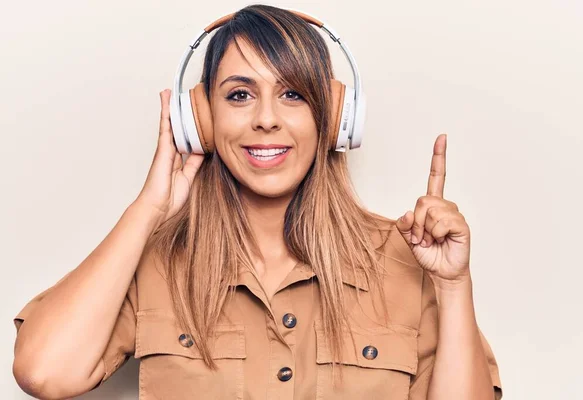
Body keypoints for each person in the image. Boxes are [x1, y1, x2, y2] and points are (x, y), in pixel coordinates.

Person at [12, 4, 502, 399]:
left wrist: (454, 286)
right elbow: (44, 372)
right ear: (199, 122)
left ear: (333, 120)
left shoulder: (405, 259)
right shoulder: (156, 264)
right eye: (240, 95)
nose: (266, 119)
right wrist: (148, 209)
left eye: (293, 94)